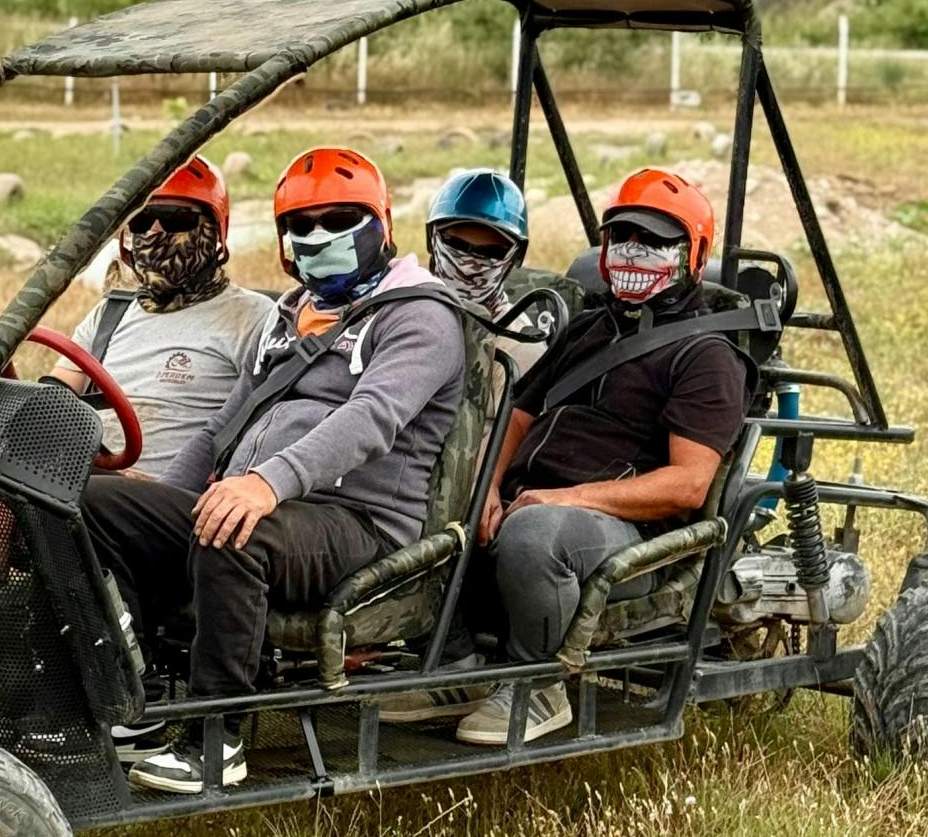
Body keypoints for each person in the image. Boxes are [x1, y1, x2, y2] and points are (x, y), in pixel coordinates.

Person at [84, 146, 466, 793]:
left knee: (234, 527)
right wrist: (167, 499)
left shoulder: (421, 315)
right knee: (92, 503)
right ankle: (134, 696)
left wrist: (266, 482)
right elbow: (220, 427)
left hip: (358, 522)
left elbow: (372, 417)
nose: (320, 237)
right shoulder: (292, 314)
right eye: (304, 226)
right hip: (269, 502)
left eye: (340, 219)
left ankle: (218, 737)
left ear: (382, 225)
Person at [453, 166, 749, 748]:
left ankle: (538, 681)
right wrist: (486, 486)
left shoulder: (705, 354)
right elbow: (517, 415)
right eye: (622, 237)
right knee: (445, 489)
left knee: (537, 533)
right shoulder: (590, 327)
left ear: (693, 253)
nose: (635, 251)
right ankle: (457, 665)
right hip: (540, 503)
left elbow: (688, 486)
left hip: (630, 538)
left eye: (655, 240)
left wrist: (561, 498)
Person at [51, 159, 273, 480]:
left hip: (168, 499)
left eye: (174, 219)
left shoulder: (253, 318)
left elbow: (266, 429)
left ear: (215, 231)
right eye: (142, 221)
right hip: (84, 476)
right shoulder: (109, 314)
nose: (154, 232)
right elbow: (54, 398)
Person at [421, 166, 564, 377]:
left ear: (515, 258)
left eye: (492, 252)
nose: (469, 266)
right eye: (457, 245)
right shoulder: (397, 310)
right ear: (431, 240)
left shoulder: (521, 349)